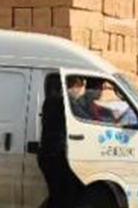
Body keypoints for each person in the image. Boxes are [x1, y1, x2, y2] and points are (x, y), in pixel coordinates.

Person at [39, 75, 82, 208]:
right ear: (70, 87)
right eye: (77, 88)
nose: (78, 91)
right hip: (53, 154)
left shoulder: (51, 102)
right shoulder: (58, 103)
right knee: (61, 193)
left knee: (58, 193)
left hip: (51, 153)